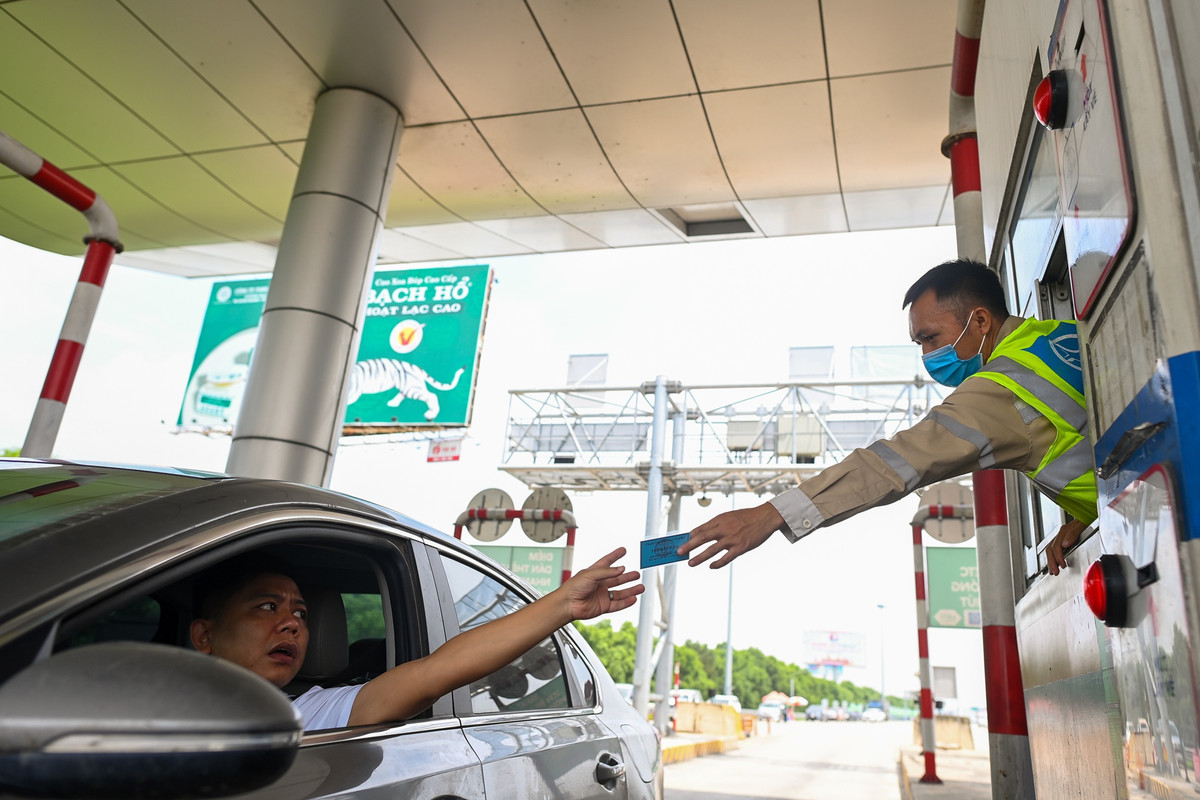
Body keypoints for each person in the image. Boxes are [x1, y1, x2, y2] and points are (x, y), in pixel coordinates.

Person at [678, 258, 1097, 577]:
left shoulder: (1001, 388)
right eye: (919, 343)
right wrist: (1087, 516)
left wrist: (770, 515)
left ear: (981, 320)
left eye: (931, 338)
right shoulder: (1059, 336)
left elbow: (893, 464)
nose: (927, 355)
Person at [190, 547, 642, 730]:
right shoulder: (148, 704)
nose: (292, 624)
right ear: (203, 635)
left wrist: (563, 605)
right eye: (267, 607)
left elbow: (435, 672)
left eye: (302, 613)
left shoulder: (312, 713)